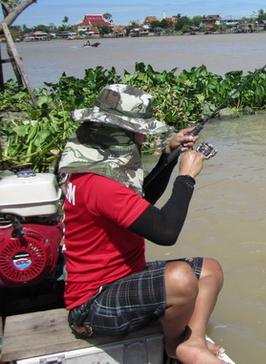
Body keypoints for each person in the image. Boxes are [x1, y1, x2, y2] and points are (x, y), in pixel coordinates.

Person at [58, 84, 226, 364]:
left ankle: (193, 342)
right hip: (91, 306)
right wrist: (187, 178)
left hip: (122, 278)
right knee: (181, 278)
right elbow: (164, 232)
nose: (143, 136)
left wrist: (168, 156)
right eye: (140, 131)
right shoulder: (100, 184)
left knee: (210, 270)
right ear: (122, 132)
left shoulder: (88, 168)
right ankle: (174, 344)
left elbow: (140, 202)